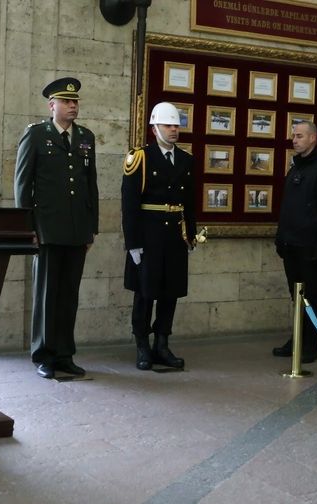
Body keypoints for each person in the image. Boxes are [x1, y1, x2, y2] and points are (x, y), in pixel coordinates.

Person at [14, 77, 99, 379]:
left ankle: (64, 354)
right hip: (47, 228)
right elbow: (23, 184)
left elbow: (91, 185)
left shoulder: (86, 137)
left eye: (75, 102)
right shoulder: (36, 136)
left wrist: (92, 227)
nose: (72, 106)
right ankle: (44, 355)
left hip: (77, 229)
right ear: (52, 106)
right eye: (66, 102)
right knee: (47, 294)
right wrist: (28, 228)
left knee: (69, 295)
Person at [122, 102, 196, 370]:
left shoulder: (186, 160)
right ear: (155, 128)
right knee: (145, 293)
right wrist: (133, 243)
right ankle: (142, 344)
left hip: (175, 235)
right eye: (168, 125)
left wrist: (191, 235)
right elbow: (129, 204)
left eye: (176, 125)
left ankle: (162, 344)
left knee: (170, 292)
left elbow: (189, 201)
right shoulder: (140, 158)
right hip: (149, 235)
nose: (174, 129)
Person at [272, 121, 317, 363]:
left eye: (300, 136)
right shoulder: (296, 168)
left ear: (313, 138)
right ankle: (297, 338)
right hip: (290, 245)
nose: (294, 139)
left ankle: (310, 344)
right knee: (296, 295)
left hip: (310, 248)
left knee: (311, 295)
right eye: (293, 136)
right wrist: (281, 238)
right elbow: (288, 208)